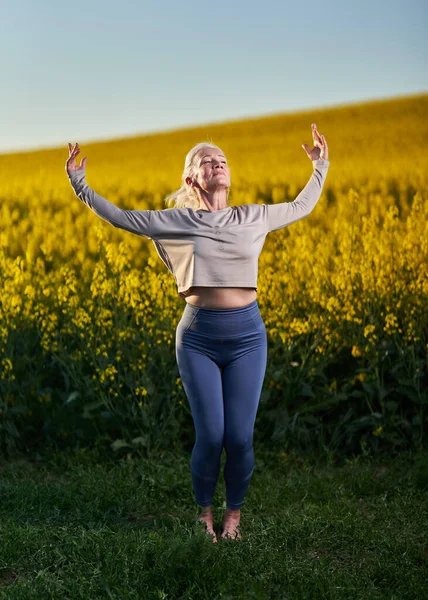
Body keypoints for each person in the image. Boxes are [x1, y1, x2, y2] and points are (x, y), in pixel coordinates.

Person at [65, 124, 330, 543]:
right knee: (210, 435)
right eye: (207, 160)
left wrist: (320, 166)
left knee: (240, 437)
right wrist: (80, 184)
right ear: (191, 179)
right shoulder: (176, 221)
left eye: (222, 159)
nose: (217, 163)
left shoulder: (254, 216)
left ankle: (234, 514)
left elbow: (302, 205)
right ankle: (204, 513)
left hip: (248, 337)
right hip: (198, 339)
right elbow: (121, 217)